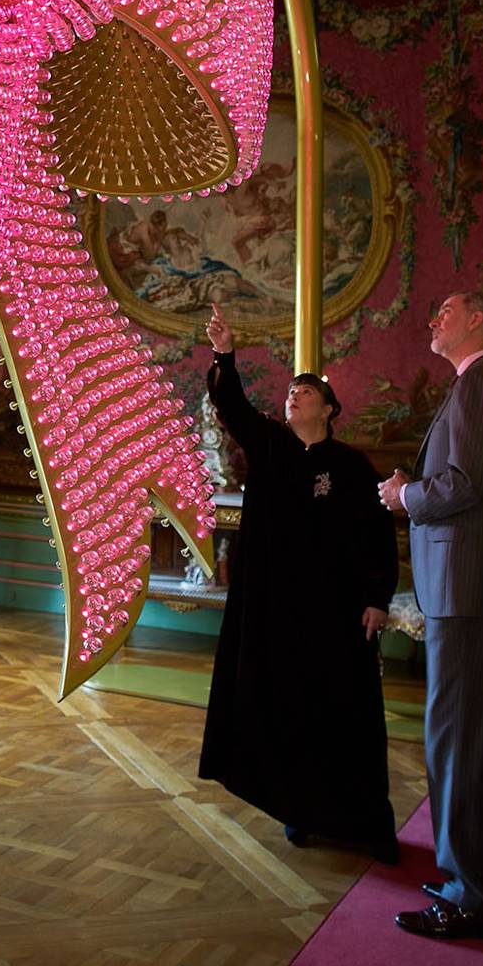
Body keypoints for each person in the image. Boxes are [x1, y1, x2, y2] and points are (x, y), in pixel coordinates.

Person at [199, 302, 400, 863]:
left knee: (344, 715)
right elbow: (230, 402)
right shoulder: (268, 446)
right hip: (276, 613)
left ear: (330, 409)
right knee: (285, 712)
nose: (295, 397)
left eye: (306, 393)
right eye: (290, 392)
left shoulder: (354, 466)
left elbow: (375, 539)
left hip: (338, 617)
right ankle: (298, 812)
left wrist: (377, 599)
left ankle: (363, 823)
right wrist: (224, 352)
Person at [379, 290, 483, 941]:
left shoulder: (479, 385)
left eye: (446, 310)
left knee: (459, 744)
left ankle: (470, 897)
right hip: (472, 591)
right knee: (480, 743)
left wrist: (404, 495)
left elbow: (464, 483)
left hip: (464, 593)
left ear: (477, 321)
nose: (432, 320)